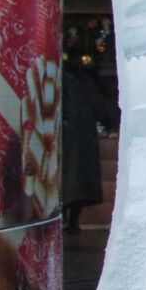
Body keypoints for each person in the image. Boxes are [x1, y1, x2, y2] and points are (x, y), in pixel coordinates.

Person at [60, 57, 117, 232]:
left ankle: (65, 219)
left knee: (65, 178)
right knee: (79, 181)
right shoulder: (86, 82)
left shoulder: (62, 80)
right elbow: (101, 108)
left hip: (65, 134)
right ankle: (73, 221)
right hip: (85, 137)